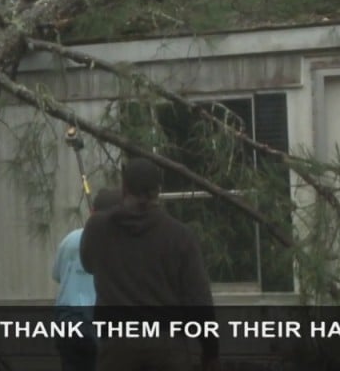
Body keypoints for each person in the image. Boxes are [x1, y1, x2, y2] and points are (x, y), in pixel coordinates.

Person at [80, 158, 220, 371]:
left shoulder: (98, 228)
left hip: (117, 349)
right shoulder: (179, 235)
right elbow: (198, 300)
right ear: (158, 191)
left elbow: (89, 265)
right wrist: (210, 352)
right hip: (167, 349)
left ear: (124, 188)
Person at [53, 188, 124, 371]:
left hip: (66, 322)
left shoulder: (70, 239)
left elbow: (57, 275)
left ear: (92, 212)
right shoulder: (119, 244)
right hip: (96, 326)